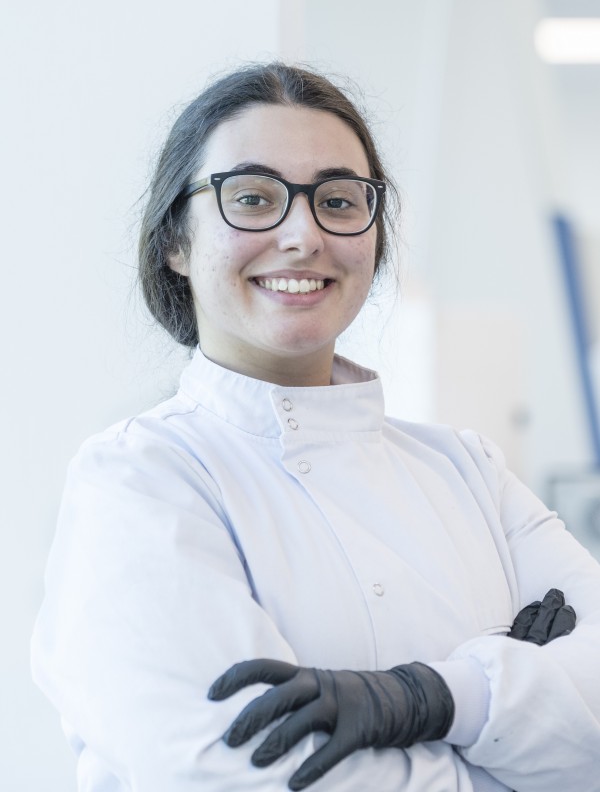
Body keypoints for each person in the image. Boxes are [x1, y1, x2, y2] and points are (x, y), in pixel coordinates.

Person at [31, 62, 600, 792]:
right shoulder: (138, 481)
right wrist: (518, 719)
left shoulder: (468, 471)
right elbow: (238, 772)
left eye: (337, 200)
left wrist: (428, 699)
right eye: (253, 198)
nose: (303, 235)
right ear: (175, 240)